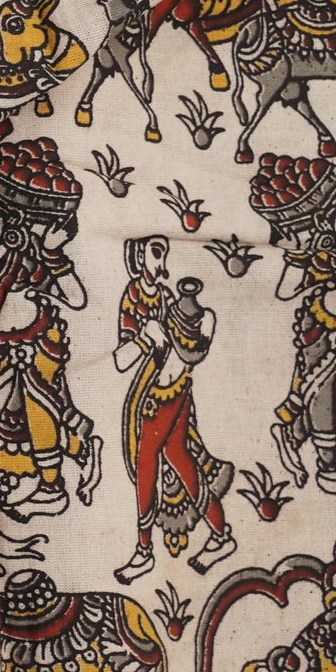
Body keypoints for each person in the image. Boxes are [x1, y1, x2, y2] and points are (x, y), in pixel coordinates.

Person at [0, 136, 101, 521]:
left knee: (42, 410)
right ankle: (64, 456)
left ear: (14, 229)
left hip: (37, 341)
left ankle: (52, 487)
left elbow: (76, 298)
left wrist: (52, 253)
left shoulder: (30, 263)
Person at [111, 236, 235, 581]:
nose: (161, 261)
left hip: (167, 394)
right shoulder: (133, 297)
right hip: (160, 391)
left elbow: (185, 347)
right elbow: (121, 360)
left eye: (163, 253)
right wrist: (144, 337)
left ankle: (144, 552)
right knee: (179, 458)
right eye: (155, 251)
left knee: (146, 462)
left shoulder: (167, 297)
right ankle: (221, 534)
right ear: (138, 255)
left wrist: (198, 330)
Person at [250, 154, 336, 493]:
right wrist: (297, 256)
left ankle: (293, 435)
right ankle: (327, 466)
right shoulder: (326, 260)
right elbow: (285, 291)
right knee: (321, 393)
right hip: (326, 331)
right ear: (326, 229)